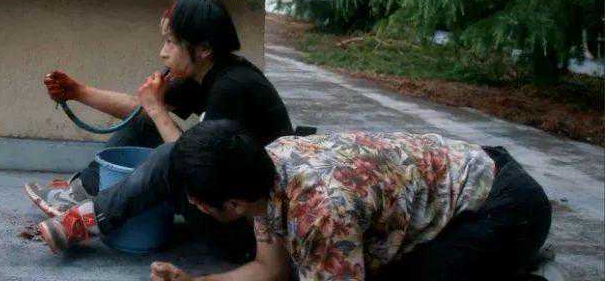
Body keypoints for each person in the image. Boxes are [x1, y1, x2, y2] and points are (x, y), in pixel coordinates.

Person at [28, 0, 294, 260]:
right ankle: (82, 192)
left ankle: (84, 221)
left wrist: (155, 108)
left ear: (204, 49)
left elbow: (197, 165)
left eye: (171, 42)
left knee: (170, 154)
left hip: (250, 233)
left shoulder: (232, 88)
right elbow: (140, 109)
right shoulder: (208, 72)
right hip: (224, 202)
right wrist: (77, 92)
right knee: (144, 123)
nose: (162, 52)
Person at [146, 121, 553, 281]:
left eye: (198, 202)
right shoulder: (262, 170)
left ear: (232, 204)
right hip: (469, 179)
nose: (195, 207)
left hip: (504, 204)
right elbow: (270, 269)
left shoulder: (320, 213)